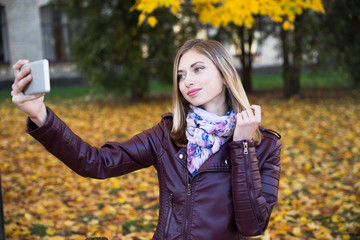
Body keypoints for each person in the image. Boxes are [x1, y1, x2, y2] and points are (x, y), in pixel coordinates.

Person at [11, 39, 281, 239]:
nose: (187, 81)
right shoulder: (167, 135)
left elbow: (253, 226)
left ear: (224, 75)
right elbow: (96, 163)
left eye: (198, 69)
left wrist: (242, 146)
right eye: (181, 75)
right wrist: (40, 115)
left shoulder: (264, 145)